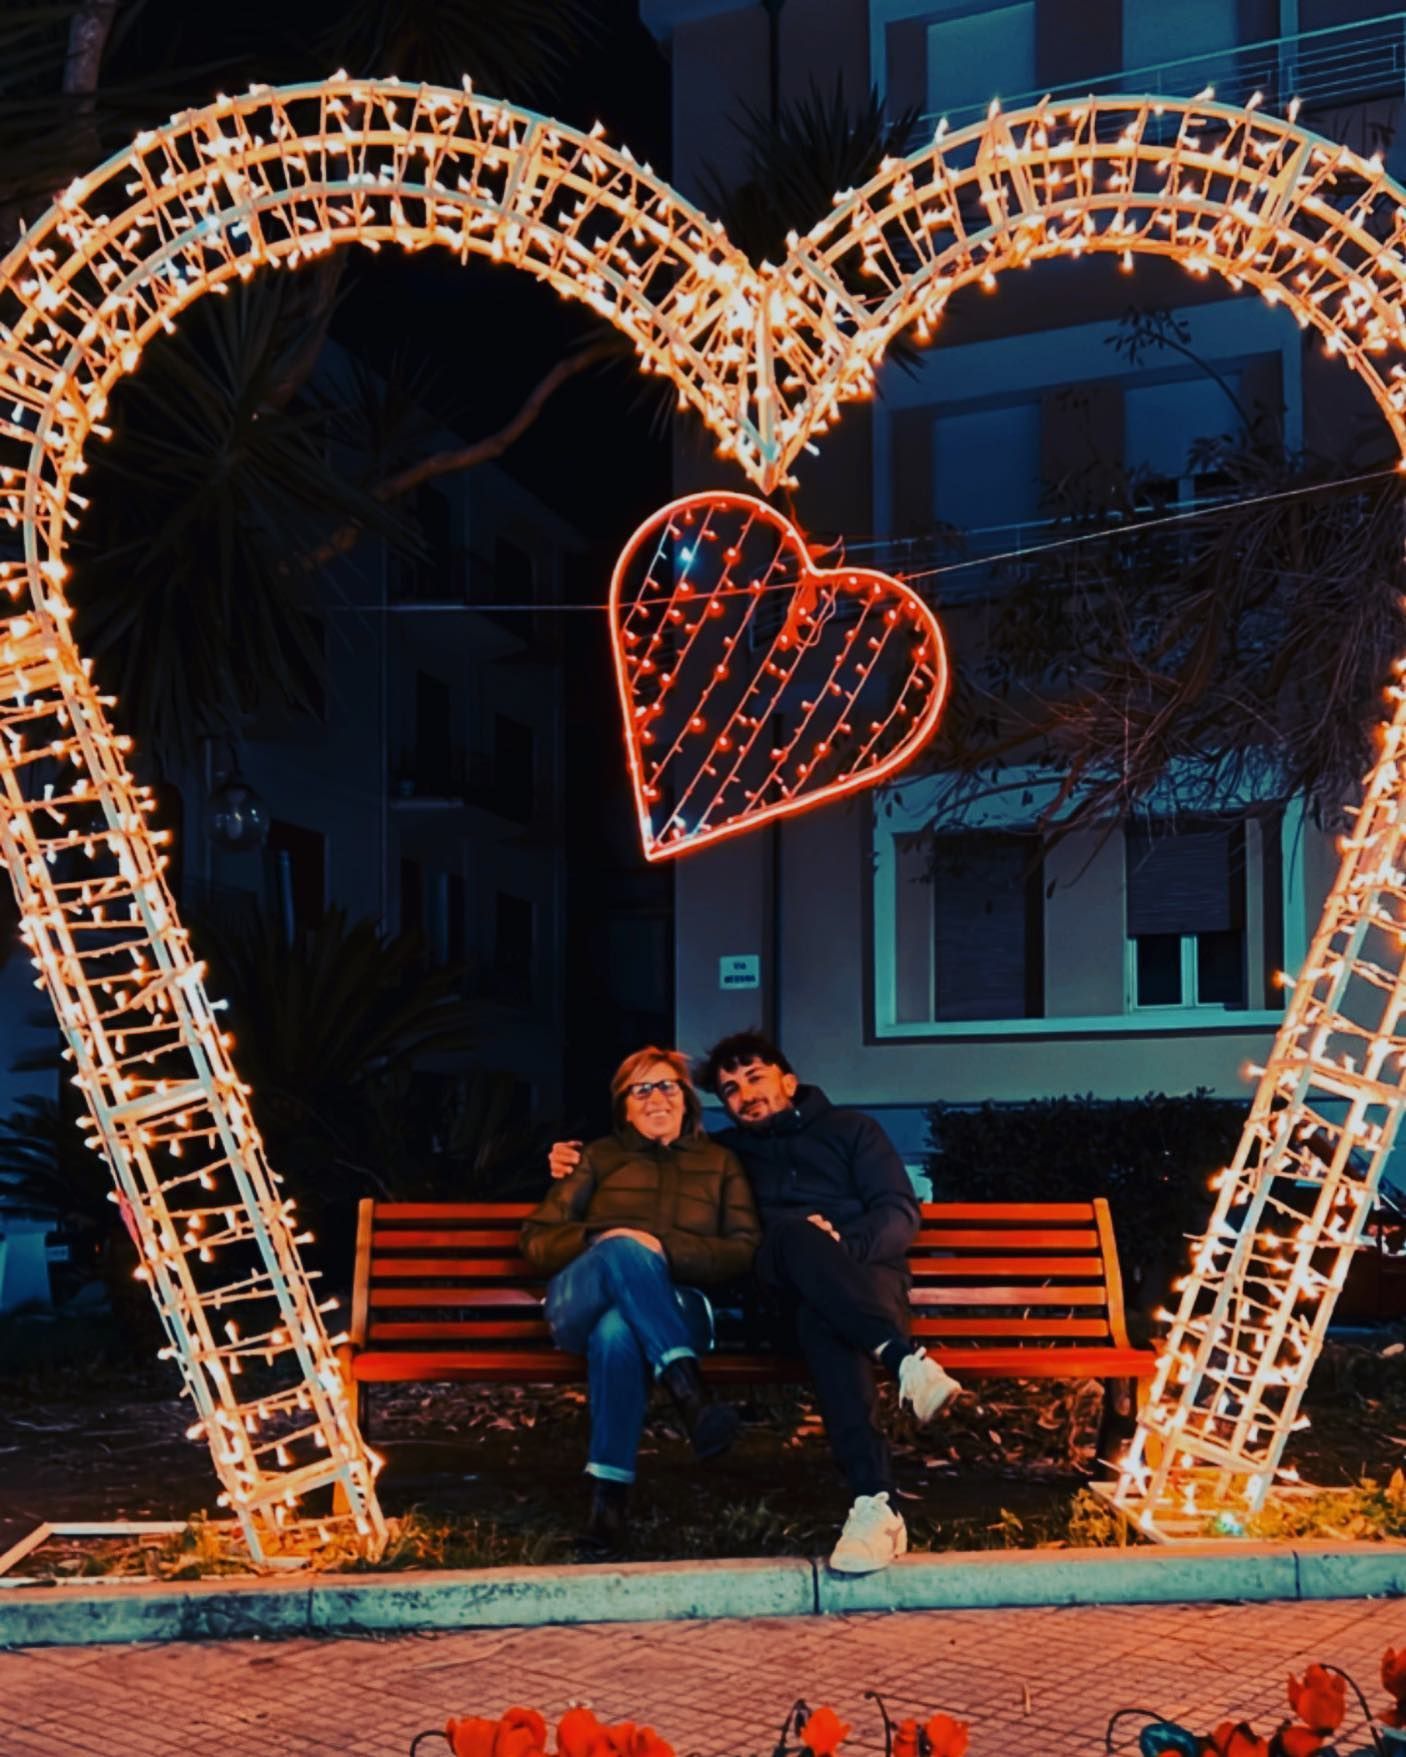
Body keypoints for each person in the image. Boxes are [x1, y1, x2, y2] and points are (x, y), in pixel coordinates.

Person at [549, 1032, 961, 1575]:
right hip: (778, 1295)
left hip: (857, 1284)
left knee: (826, 1318)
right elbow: (656, 1163)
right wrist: (572, 1162)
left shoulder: (853, 1131)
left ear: (788, 1082)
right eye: (729, 1090)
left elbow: (898, 1213)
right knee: (791, 1236)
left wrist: (840, 1246)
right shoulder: (726, 1152)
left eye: (755, 1078)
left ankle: (875, 1504)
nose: (744, 1095)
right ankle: (905, 1361)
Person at [522, 1046, 761, 1560]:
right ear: (624, 1106)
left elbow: (743, 1249)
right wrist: (609, 1240)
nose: (657, 1098)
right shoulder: (598, 1157)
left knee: (618, 1331)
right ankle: (688, 1393)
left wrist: (665, 1249)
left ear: (687, 1100)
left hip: (677, 1306)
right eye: (642, 1089)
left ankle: (608, 1502)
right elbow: (538, 1240)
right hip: (578, 1301)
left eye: (668, 1086)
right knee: (622, 1254)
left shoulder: (720, 1163)